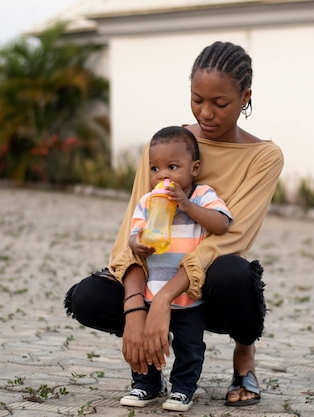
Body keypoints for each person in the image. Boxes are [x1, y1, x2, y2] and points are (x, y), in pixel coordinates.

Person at [64, 40, 284, 408]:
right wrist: (136, 306)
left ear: (246, 97)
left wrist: (166, 298)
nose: (206, 113)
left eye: (221, 103)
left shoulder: (263, 157)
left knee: (236, 274)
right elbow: (131, 231)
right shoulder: (166, 147)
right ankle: (153, 355)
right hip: (156, 273)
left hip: (211, 289)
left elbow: (231, 238)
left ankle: (244, 355)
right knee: (88, 297)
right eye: (197, 99)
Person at [121, 125, 233, 411]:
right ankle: (146, 384)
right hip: (152, 290)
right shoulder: (148, 200)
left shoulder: (202, 195)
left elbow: (222, 223)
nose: (163, 176)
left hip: (188, 294)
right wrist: (138, 244)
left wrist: (187, 205)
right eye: (155, 169)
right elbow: (132, 236)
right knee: (149, 343)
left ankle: (183, 389)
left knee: (189, 347)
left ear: (194, 168)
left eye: (172, 166)